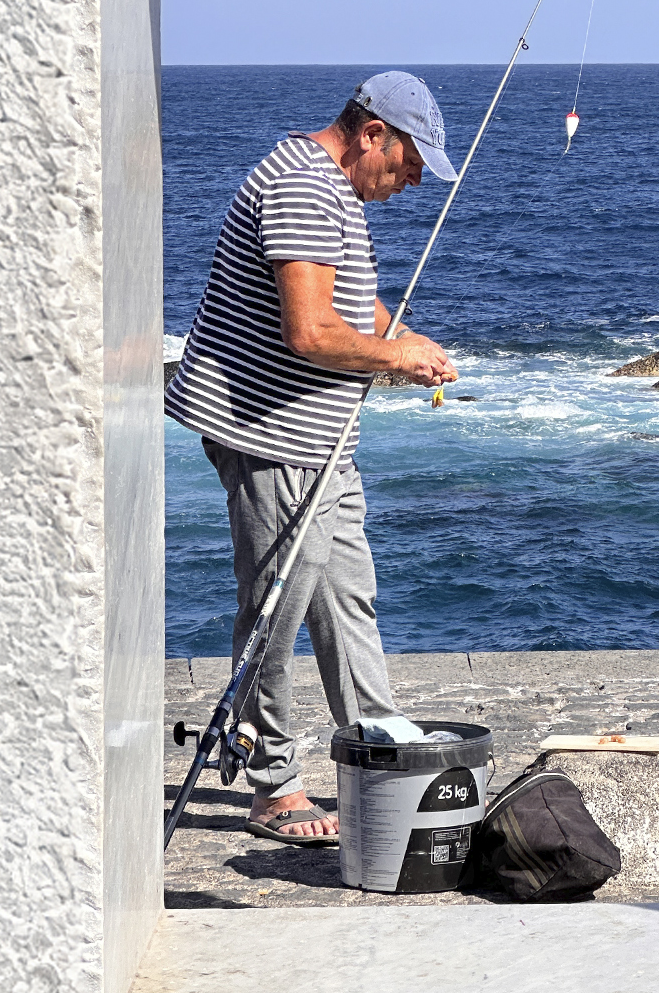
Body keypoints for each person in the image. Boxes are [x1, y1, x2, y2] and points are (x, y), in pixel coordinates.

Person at [164, 71, 461, 844]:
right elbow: (311, 333)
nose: (414, 180)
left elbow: (351, 304)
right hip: (274, 439)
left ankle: (380, 753)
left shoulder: (336, 191)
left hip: (321, 442)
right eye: (408, 162)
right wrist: (393, 361)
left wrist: (404, 340)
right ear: (372, 134)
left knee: (345, 601)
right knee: (276, 612)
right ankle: (274, 787)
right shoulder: (303, 187)